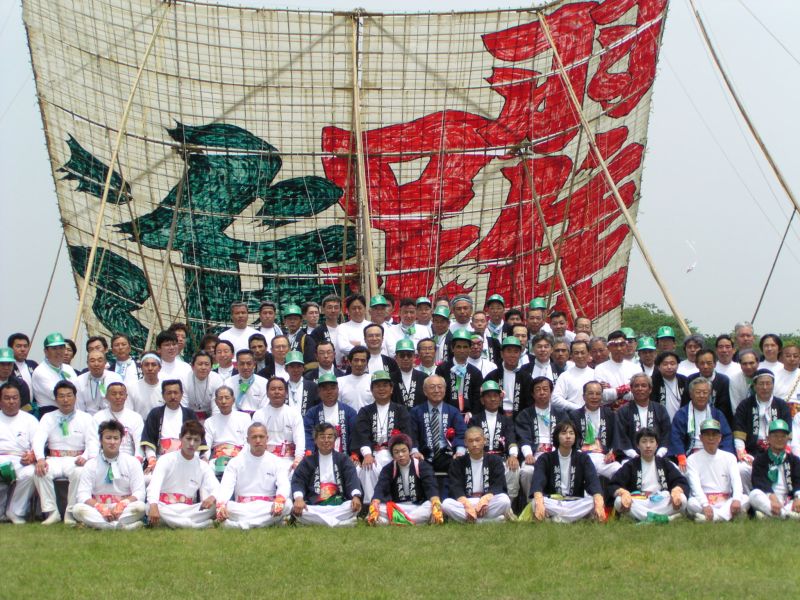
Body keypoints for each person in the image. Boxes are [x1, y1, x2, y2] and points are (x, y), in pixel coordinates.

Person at [33, 380, 98, 525]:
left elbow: (93, 442)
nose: (65, 400)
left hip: (76, 459)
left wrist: (85, 456)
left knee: (80, 473)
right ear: (55, 399)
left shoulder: (86, 418)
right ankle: (52, 512)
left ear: (75, 397)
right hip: (54, 458)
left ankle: (70, 513)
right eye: (61, 396)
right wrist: (40, 459)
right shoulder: (48, 417)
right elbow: (38, 439)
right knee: (39, 472)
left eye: (69, 395)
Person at [72, 419, 146, 530]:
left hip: (123, 508)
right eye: (108, 438)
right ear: (101, 440)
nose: (112, 442)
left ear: (121, 440)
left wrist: (122, 504)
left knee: (141, 507)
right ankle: (120, 527)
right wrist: (99, 507)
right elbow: (83, 494)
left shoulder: (132, 462)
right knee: (77, 509)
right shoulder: (91, 464)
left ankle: (101, 525)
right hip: (98, 509)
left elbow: (139, 492)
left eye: (116, 438)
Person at [215, 422, 291, 529]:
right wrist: (221, 504)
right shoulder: (235, 462)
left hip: (267, 506)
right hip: (243, 507)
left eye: (261, 437)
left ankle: (241, 525)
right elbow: (226, 486)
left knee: (287, 504)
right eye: (254, 437)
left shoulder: (277, 462)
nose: (258, 440)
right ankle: (268, 522)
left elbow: (284, 484)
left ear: (267, 438)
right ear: (247, 440)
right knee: (227, 507)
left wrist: (279, 500)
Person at [146, 420, 219, 529]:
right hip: (165, 507)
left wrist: (212, 497)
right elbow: (154, 486)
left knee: (216, 506)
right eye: (188, 439)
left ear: (201, 442)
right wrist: (153, 506)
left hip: (188, 509)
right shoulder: (166, 459)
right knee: (148, 507)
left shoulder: (203, 466)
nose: (192, 444)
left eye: (196, 440)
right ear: (180, 437)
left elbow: (217, 488)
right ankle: (197, 526)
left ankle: (176, 523)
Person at [353, 371, 413, 501]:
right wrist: (367, 454)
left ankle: (396, 501)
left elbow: (407, 434)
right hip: (373, 452)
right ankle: (371, 504)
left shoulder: (400, 410)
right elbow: (362, 435)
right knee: (368, 466)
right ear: (371, 390)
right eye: (377, 386)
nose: (381, 389)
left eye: (385, 385)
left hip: (395, 452)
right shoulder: (365, 411)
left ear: (391, 389)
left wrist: (400, 451)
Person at [607, 427, 689, 522]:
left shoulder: (664, 463)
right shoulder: (631, 465)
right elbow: (614, 484)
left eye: (651, 441)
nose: (648, 445)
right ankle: (663, 518)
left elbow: (681, 481)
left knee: (682, 499)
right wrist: (624, 493)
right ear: (638, 445)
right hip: (640, 501)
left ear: (657, 445)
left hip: (660, 500)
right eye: (644, 442)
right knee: (619, 501)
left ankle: (645, 517)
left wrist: (676, 491)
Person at [530, 420, 605, 523]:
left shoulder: (583, 458)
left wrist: (599, 502)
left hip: (575, 501)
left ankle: (558, 519)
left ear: (575, 437)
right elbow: (538, 481)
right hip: (554, 502)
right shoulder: (545, 458)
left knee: (592, 501)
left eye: (571, 433)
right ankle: (574, 518)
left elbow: (593, 481)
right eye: (564, 433)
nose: (568, 436)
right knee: (535, 502)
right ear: (557, 436)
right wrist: (539, 502)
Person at [290, 423, 363, 527]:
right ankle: (339, 524)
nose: (326, 440)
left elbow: (352, 479)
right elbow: (298, 481)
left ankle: (320, 521)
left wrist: (355, 496)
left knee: (351, 506)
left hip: (338, 505)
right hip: (315, 506)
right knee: (300, 510)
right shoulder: (307, 461)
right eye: (322, 437)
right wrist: (298, 499)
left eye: (329, 437)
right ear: (315, 440)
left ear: (335, 439)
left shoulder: (343, 459)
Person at [733, 368, 791, 493]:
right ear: (754, 386)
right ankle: (749, 497)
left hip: (777, 450)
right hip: (752, 451)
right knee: (741, 469)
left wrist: (784, 453)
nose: (765, 387)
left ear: (773, 385)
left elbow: (788, 435)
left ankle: (781, 497)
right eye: (761, 384)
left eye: (768, 383)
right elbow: (739, 435)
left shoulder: (781, 405)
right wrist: (743, 454)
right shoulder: (745, 405)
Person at [367, 432, 442, 526]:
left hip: (418, 506)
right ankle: (415, 521)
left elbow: (431, 486)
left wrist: (435, 502)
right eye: (396, 452)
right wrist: (375, 504)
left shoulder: (421, 465)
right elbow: (380, 487)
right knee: (380, 508)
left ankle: (396, 520)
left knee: (430, 506)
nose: (400, 455)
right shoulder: (388, 469)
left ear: (409, 451)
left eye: (404, 451)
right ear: (392, 454)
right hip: (398, 507)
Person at [441, 427, 511, 523]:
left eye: (477, 440)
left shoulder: (495, 461)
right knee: (446, 504)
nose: (474, 444)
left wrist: (485, 499)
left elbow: (498, 484)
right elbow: (455, 486)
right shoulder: (458, 462)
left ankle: (469, 520)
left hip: (487, 502)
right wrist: (467, 505)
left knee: (505, 500)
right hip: (466, 500)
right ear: (465, 443)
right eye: (470, 441)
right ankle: (488, 521)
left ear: (484, 441)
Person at [685, 419, 748, 522]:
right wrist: (705, 504)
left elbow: (736, 481)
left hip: (726, 501)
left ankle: (713, 518)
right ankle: (728, 516)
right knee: (691, 503)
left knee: (745, 499)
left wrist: (736, 499)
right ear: (701, 438)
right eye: (707, 435)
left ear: (719, 438)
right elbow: (695, 486)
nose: (711, 438)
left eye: (714, 434)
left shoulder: (730, 457)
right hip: (704, 501)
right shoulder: (692, 459)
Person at [516, 377, 568, 499]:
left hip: (556, 452)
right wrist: (528, 455)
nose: (542, 392)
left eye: (545, 389)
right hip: (535, 453)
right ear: (532, 394)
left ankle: (560, 501)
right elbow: (523, 437)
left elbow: (566, 434)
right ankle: (532, 502)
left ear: (551, 392)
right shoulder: (525, 414)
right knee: (527, 471)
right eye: (538, 389)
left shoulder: (561, 413)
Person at [468, 380, 520, 499]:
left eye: (496, 396)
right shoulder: (475, 420)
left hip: (501, 458)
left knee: (514, 467)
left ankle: (509, 503)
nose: (493, 399)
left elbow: (511, 438)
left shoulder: (506, 420)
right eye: (489, 396)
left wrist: (513, 455)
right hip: (480, 457)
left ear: (500, 399)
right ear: (482, 400)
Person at [669, 377, 734, 468]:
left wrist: (723, 454)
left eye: (705, 392)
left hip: (713, 453)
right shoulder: (682, 414)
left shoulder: (717, 414)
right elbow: (676, 437)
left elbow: (726, 436)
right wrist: (681, 455)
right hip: (690, 454)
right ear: (691, 394)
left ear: (710, 394)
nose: (702, 395)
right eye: (698, 392)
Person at [141, 380, 202, 475]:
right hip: (160, 460)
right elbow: (149, 442)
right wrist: (152, 460)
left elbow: (197, 441)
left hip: (186, 458)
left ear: (181, 394)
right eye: (169, 393)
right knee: (148, 478)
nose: (173, 396)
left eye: (176, 393)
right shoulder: (155, 413)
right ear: (163, 395)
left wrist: (193, 459)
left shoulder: (189, 414)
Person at [410, 375, 466, 475]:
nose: (436, 390)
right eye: (432, 387)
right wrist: (415, 451)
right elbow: (412, 435)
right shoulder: (416, 412)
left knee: (458, 466)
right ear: (425, 391)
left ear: (445, 390)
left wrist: (460, 452)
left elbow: (461, 434)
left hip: (448, 455)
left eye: (440, 387)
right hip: (424, 455)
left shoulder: (453, 411)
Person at [0, 381, 38, 524]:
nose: (11, 401)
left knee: (31, 473)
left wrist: (32, 455)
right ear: (0, 400)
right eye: (7, 398)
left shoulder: (30, 420)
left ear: (20, 400)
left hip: (21, 460)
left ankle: (15, 512)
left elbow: (37, 444)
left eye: (14, 398)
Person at [748, 419, 800, 519]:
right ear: (768, 438)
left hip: (788, 500)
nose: (779, 439)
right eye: (775, 436)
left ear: (788, 438)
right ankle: (787, 515)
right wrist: (771, 496)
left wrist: (798, 498)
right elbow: (758, 482)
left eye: (783, 436)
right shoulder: (760, 460)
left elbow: (798, 482)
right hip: (768, 499)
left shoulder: (794, 460)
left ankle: (769, 516)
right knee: (754, 494)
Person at [568, 381, 620, 479]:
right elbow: (572, 439)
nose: (594, 397)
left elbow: (616, 436)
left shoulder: (610, 414)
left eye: (598, 394)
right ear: (584, 397)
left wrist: (612, 453)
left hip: (603, 456)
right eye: (591, 393)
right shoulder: (574, 415)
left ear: (602, 396)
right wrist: (578, 454)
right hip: (583, 455)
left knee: (618, 470)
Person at [252, 377, 305, 471]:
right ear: (267, 393)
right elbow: (254, 440)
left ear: (286, 393)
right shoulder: (259, 414)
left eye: (280, 389)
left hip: (288, 460)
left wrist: (297, 460)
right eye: (273, 389)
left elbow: (300, 440)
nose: (276, 392)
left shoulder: (294, 414)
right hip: (264, 459)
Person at [614, 374, 671, 461]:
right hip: (631, 457)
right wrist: (634, 456)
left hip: (659, 456)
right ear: (631, 389)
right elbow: (622, 437)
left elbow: (666, 434)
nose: (640, 389)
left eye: (644, 386)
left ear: (650, 389)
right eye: (636, 386)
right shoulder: (623, 411)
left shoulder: (660, 409)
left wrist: (659, 455)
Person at [303, 373, 358, 455]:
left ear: (338, 390)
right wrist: (309, 452)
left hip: (344, 457)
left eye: (333, 388)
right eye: (325, 389)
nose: (329, 392)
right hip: (319, 457)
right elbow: (308, 435)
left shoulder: (350, 412)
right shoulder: (312, 413)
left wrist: (354, 454)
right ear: (319, 392)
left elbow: (354, 436)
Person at [203, 386, 251, 477]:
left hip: (239, 456)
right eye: (220, 398)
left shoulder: (245, 418)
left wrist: (240, 458)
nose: (224, 401)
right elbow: (207, 445)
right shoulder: (209, 422)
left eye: (227, 398)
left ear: (233, 400)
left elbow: (248, 443)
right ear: (216, 402)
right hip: (217, 458)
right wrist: (205, 458)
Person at [435, 329, 483, 418]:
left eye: (465, 347)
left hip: (469, 416)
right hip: (446, 415)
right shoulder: (442, 369)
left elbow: (477, 398)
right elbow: (439, 394)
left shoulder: (476, 372)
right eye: (458, 347)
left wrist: (472, 414)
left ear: (470, 349)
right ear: (452, 348)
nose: (462, 350)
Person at [92, 382, 144, 461]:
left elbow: (139, 442)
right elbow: (93, 441)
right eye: (114, 394)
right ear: (106, 397)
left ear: (126, 396)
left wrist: (137, 460)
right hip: (104, 459)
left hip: (129, 459)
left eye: (121, 394)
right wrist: (94, 460)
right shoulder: (98, 417)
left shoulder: (135, 417)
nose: (117, 397)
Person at [484, 337, 533, 420]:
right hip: (495, 417)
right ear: (502, 354)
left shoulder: (526, 378)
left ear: (520, 354)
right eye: (509, 351)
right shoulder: (492, 376)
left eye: (516, 352)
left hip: (520, 419)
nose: (512, 355)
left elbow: (529, 403)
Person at [682, 349, 734, 428]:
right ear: (696, 365)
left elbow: (725, 408)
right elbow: (685, 403)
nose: (705, 366)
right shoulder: (691, 379)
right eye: (702, 363)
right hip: (693, 420)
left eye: (709, 363)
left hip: (717, 422)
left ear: (715, 364)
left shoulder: (723, 381)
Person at [31, 332, 78, 417]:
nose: (59, 352)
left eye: (61, 348)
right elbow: (58, 395)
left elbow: (78, 390)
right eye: (54, 348)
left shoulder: (68, 369)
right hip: (50, 414)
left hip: (71, 413)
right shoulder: (40, 372)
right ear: (46, 351)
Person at [594, 330, 639, 408]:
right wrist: (626, 388)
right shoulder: (600, 369)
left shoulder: (635, 368)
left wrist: (613, 391)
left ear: (626, 346)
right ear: (608, 348)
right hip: (609, 412)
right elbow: (602, 395)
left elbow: (638, 393)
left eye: (622, 345)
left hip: (632, 410)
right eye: (615, 345)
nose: (619, 348)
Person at [75, 349, 123, 415]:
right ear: (87, 363)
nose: (96, 364)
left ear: (105, 362)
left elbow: (120, 402)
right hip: (88, 418)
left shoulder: (115, 378)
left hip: (111, 417)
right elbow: (79, 408)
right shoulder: (79, 381)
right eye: (92, 361)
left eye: (100, 360)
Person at [551, 339, 594, 411]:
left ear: (589, 354)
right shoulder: (565, 376)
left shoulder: (595, 374)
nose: (579, 356)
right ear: (571, 355)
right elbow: (555, 399)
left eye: (582, 352)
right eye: (576, 353)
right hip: (572, 414)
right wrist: (578, 408)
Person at [183, 351, 224, 420]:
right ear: (192, 366)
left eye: (207, 364)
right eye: (200, 364)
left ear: (211, 367)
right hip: (189, 414)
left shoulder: (217, 379)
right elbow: (184, 406)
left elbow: (216, 407)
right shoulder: (184, 379)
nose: (203, 367)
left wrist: (214, 422)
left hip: (210, 413)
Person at [226, 349, 268, 415]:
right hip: (235, 417)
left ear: (254, 365)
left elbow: (264, 406)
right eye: (242, 364)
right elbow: (228, 406)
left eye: (249, 364)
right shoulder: (228, 383)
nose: (245, 367)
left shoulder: (264, 383)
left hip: (257, 418)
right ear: (236, 365)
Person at [650, 351, 687, 420]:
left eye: (672, 364)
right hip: (659, 420)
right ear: (659, 367)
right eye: (665, 364)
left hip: (681, 420)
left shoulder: (684, 380)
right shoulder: (652, 381)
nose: (669, 367)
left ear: (678, 365)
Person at [391, 339, 428, 408]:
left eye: (409, 355)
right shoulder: (390, 378)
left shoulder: (424, 377)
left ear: (414, 357)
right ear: (396, 358)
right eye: (402, 355)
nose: (406, 358)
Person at [336, 294, 370, 365]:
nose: (357, 311)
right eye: (354, 308)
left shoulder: (371, 326)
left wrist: (358, 344)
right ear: (348, 310)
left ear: (365, 309)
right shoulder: (342, 327)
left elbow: (375, 346)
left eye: (359, 308)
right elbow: (343, 347)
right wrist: (365, 344)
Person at [284, 351, 319, 417]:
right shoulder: (283, 387)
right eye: (292, 367)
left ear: (303, 368)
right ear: (286, 369)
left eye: (299, 366)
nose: (296, 370)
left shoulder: (312, 387)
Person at [129, 353, 164, 419]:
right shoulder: (132, 388)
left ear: (159, 368)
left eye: (153, 365)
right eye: (146, 365)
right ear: (141, 368)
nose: (150, 368)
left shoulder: (165, 388)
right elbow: (129, 412)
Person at [337, 346, 373, 411]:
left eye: (363, 360)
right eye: (356, 360)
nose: (359, 364)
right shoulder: (340, 382)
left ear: (367, 363)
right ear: (349, 362)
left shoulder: (373, 380)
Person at [309, 294, 341, 363]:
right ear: (323, 310)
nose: (333, 310)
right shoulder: (317, 332)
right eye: (329, 307)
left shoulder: (345, 329)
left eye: (336, 307)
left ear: (340, 310)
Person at [0, 347, 32, 413]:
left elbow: (26, 408)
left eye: (9, 364)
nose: (6, 368)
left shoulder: (21, 384)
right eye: (2, 364)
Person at [8, 333, 37, 402]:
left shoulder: (33, 364)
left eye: (25, 346)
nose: (23, 349)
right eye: (18, 346)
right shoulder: (7, 367)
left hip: (34, 405)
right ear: (10, 348)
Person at [728, 349, 760, 413]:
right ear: (740, 365)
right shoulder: (735, 380)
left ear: (758, 363)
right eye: (744, 364)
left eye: (751, 363)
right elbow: (735, 407)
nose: (748, 367)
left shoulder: (765, 377)